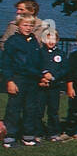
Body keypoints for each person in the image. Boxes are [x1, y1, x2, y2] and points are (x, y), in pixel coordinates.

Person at [1, 13, 48, 147]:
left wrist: (42, 75)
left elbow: (38, 61)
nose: (28, 28)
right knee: (14, 109)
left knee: (31, 108)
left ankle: (28, 136)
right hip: (18, 79)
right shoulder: (12, 41)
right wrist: (9, 81)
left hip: (32, 80)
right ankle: (9, 137)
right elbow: (6, 63)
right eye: (25, 25)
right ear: (18, 26)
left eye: (31, 25)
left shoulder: (33, 41)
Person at [35, 25, 68, 141]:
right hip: (41, 87)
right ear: (43, 40)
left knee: (53, 110)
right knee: (39, 110)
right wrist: (43, 75)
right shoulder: (38, 53)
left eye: (53, 39)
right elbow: (35, 66)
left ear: (57, 40)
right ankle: (38, 133)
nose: (51, 41)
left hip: (54, 87)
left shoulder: (61, 54)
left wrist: (53, 77)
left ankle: (53, 132)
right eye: (48, 39)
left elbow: (64, 69)